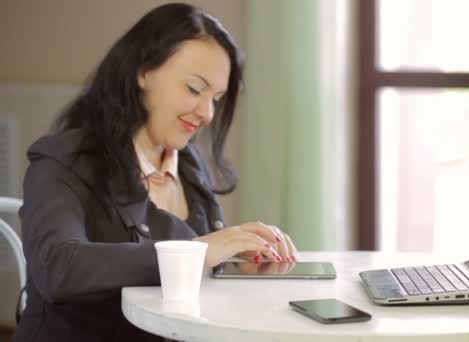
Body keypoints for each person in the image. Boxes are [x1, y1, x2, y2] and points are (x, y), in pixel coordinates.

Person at [13, 3, 298, 341]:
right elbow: (58, 268)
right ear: (143, 71)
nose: (206, 113)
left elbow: (188, 277)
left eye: (216, 98)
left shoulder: (189, 165)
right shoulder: (63, 159)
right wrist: (201, 251)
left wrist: (234, 263)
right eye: (194, 89)